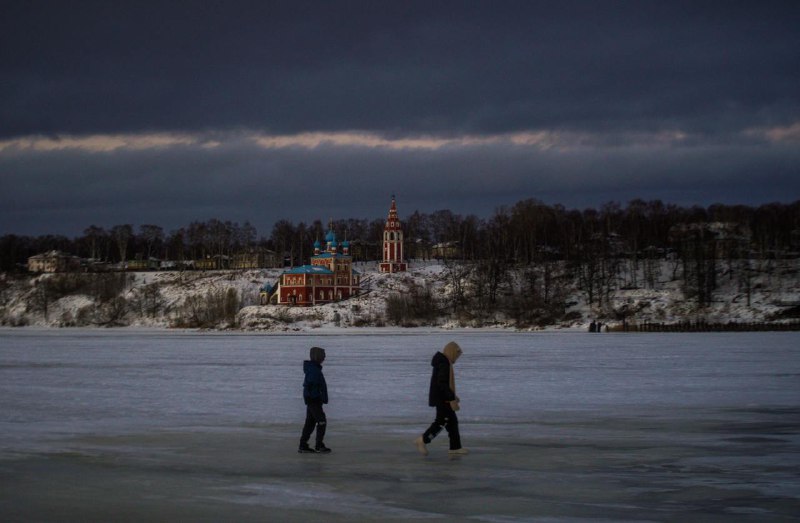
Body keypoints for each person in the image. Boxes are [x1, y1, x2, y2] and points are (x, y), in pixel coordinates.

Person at [414, 341, 468, 456]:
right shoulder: (444, 363)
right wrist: (451, 396)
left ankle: (455, 447)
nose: (457, 358)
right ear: (452, 352)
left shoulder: (444, 361)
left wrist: (453, 396)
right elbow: (442, 383)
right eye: (457, 355)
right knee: (441, 421)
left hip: (443, 397)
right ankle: (423, 440)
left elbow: (444, 384)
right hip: (442, 399)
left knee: (452, 422)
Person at [299, 346, 331, 453]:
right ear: (318, 356)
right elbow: (311, 385)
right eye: (323, 356)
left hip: (313, 399)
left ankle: (303, 445)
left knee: (310, 423)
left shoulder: (314, 368)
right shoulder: (314, 370)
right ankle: (319, 445)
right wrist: (315, 397)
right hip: (314, 400)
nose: (324, 358)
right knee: (321, 421)